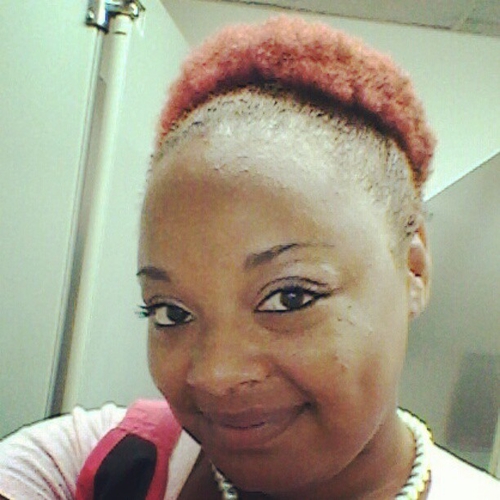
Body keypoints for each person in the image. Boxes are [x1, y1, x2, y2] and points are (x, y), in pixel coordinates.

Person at [0, 15, 498, 500]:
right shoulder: (95, 461)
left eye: (290, 297)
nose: (215, 375)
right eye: (171, 312)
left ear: (413, 269)